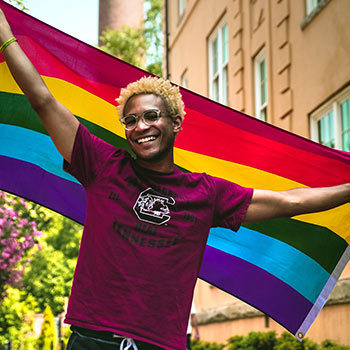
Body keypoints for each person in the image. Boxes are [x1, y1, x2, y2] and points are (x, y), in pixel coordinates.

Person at [1, 9, 350, 350]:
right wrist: (5, 36)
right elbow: (43, 100)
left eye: (151, 116)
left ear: (175, 124)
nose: (140, 126)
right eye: (131, 120)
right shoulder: (102, 164)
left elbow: (292, 202)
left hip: (160, 344)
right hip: (92, 339)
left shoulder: (206, 193)